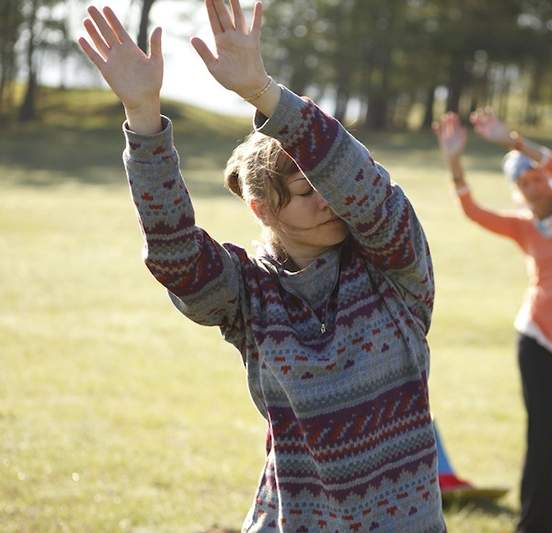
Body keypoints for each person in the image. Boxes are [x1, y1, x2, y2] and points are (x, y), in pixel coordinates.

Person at [77, 2, 445, 531]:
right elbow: (175, 254)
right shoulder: (250, 296)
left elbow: (364, 186)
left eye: (329, 185)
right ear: (263, 208)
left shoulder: (393, 268)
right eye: (305, 192)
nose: (329, 200)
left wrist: (262, 92)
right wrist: (142, 115)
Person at [433, 111, 552, 533]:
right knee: (542, 437)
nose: (534, 187)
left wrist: (512, 141)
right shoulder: (524, 227)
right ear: (518, 191)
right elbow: (472, 210)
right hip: (536, 338)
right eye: (524, 184)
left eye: (536, 179)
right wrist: (454, 161)